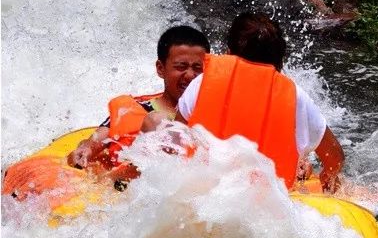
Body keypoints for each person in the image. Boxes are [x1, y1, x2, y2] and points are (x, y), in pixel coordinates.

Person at [142, 12, 344, 192]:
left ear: (229, 54)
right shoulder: (296, 96)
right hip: (267, 207)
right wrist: (327, 179)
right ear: (279, 61)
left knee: (154, 121)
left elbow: (179, 143)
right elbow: (334, 158)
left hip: (205, 198)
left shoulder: (202, 83)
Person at [67, 25, 210, 169]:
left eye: (198, 68)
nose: (191, 75)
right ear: (161, 69)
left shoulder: (216, 113)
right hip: (128, 184)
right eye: (181, 67)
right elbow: (92, 144)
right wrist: (85, 150)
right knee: (158, 120)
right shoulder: (131, 109)